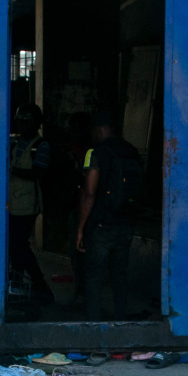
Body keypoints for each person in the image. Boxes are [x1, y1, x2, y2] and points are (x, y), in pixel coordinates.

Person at [75, 111, 143, 321]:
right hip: (126, 222)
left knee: (94, 276)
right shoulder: (132, 151)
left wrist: (81, 228)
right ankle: (120, 321)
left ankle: (94, 324)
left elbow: (89, 192)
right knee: (119, 275)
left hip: (102, 224)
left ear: (99, 130)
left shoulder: (97, 152)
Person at [6, 102, 53, 302]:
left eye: (26, 122)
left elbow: (37, 173)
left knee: (19, 245)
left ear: (35, 124)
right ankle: (16, 284)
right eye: (19, 121)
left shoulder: (41, 145)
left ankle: (40, 285)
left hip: (27, 204)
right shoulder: (17, 143)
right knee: (15, 245)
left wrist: (9, 169)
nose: (21, 126)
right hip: (14, 203)